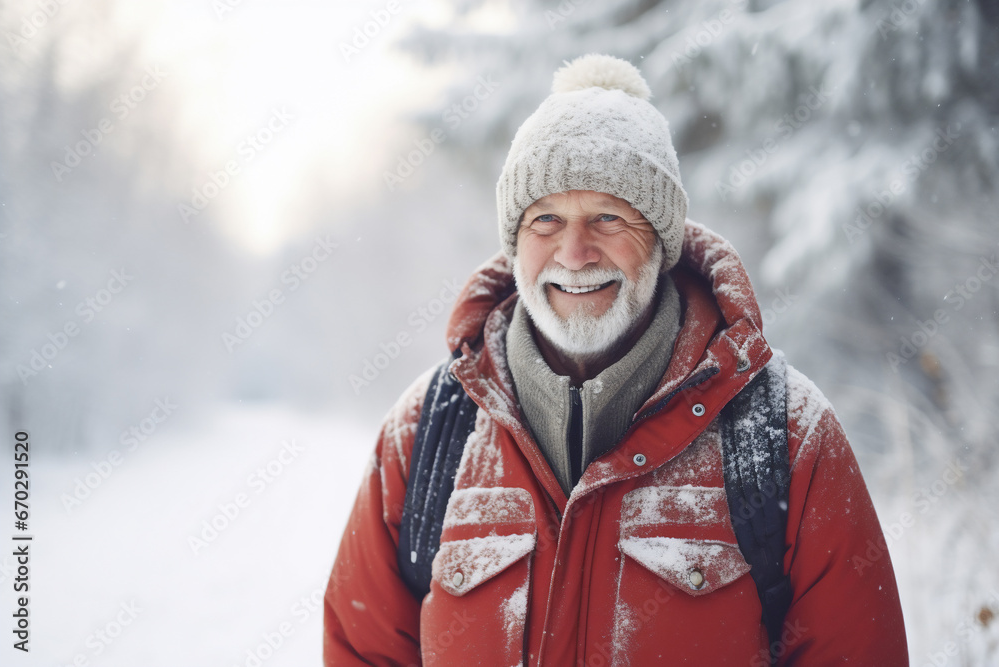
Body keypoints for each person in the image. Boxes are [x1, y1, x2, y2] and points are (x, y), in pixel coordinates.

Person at [324, 53, 907, 666]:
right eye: (545, 219)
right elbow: (362, 651)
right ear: (514, 242)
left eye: (608, 216)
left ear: (661, 240)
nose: (574, 254)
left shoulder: (785, 434)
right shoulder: (426, 434)